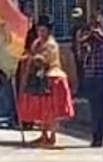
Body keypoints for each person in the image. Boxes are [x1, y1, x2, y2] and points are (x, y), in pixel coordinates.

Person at [16, 16, 74, 149]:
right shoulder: (37, 43)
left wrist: (33, 57)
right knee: (42, 109)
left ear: (48, 31)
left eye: (43, 30)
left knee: (52, 109)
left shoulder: (51, 44)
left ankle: (52, 135)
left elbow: (44, 60)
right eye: (39, 30)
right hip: (39, 78)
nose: (41, 33)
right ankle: (43, 134)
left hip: (53, 78)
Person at [72, 13, 103, 146]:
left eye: (98, 23)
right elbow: (80, 56)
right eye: (93, 23)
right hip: (91, 76)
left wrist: (96, 33)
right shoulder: (86, 39)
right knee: (94, 108)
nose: (95, 27)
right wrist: (84, 42)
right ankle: (96, 135)